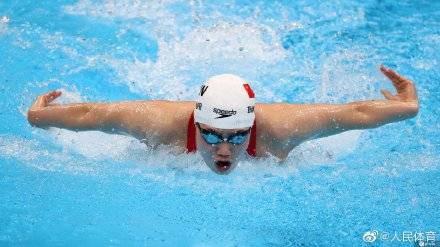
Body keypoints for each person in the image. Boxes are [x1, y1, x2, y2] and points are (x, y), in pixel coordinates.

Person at [27, 65, 419, 174]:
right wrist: (41, 117)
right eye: (212, 136)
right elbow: (95, 114)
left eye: (236, 136)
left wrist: (407, 106)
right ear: (195, 124)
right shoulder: (160, 124)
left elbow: (354, 113)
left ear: (251, 127)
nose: (226, 149)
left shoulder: (279, 130)